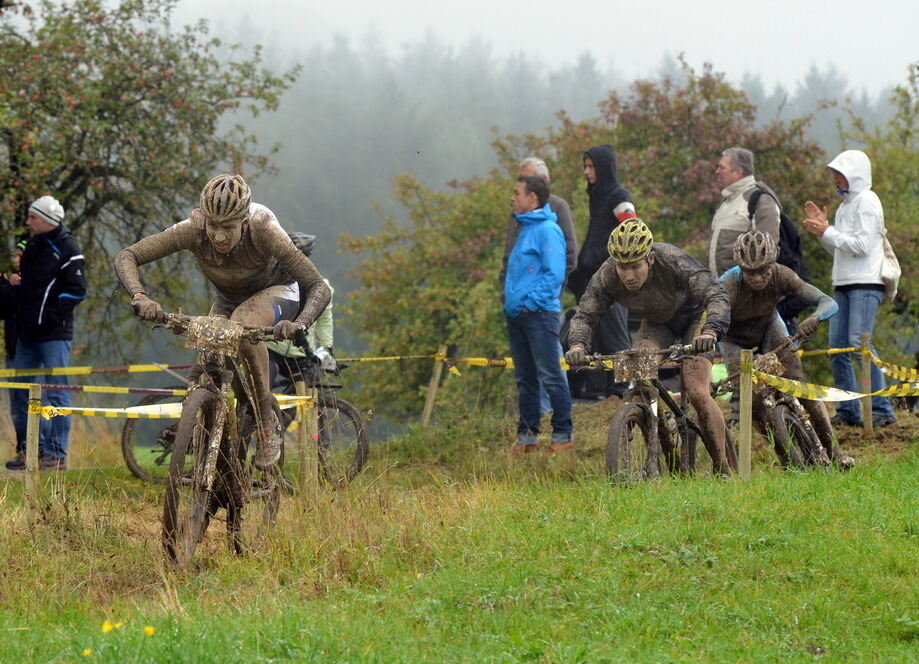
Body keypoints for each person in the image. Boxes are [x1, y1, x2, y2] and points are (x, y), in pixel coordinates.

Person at [114, 174, 331, 469]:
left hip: (278, 291)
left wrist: (300, 324)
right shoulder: (192, 229)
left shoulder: (264, 227)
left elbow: (318, 286)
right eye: (213, 225)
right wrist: (140, 296)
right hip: (228, 299)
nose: (218, 236)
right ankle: (207, 439)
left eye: (228, 227)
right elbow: (128, 255)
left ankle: (266, 424)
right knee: (208, 351)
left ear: (243, 220)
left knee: (241, 328)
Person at [565, 219, 732, 475]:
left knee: (697, 390)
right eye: (623, 267)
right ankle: (652, 427)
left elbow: (715, 293)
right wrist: (577, 344)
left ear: (650, 259)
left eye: (635, 266)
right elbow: (585, 314)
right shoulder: (608, 274)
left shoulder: (672, 259)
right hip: (656, 323)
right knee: (640, 375)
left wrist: (711, 330)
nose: (628, 275)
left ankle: (722, 468)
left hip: (695, 319)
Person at [720, 231, 854, 467]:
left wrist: (815, 317)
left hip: (768, 328)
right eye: (750, 272)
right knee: (753, 401)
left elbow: (828, 302)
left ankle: (835, 452)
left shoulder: (783, 275)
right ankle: (786, 458)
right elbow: (708, 319)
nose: (757, 277)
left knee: (798, 383)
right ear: (740, 268)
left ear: (773, 263)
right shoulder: (728, 284)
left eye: (763, 270)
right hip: (733, 338)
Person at [803, 149, 896, 428]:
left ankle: (881, 408)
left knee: (859, 344)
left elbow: (862, 246)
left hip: (865, 283)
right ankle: (848, 410)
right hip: (843, 282)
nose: (836, 180)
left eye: (840, 175)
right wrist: (824, 232)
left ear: (854, 175)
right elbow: (839, 249)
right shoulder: (845, 207)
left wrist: (828, 232)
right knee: (837, 349)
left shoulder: (867, 201)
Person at [5, 198, 87, 471]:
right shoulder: (30, 246)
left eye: (32, 217)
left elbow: (77, 291)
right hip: (26, 336)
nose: (27, 222)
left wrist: (49, 318)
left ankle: (56, 454)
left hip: (54, 336)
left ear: (47, 220)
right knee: (21, 393)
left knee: (56, 393)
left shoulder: (69, 249)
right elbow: (30, 288)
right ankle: (30, 451)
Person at [499, 157, 577, 414]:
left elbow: (566, 258)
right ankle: (531, 424)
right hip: (517, 304)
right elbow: (510, 255)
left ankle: (559, 421)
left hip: (542, 304)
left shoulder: (557, 208)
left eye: (525, 179)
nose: (519, 185)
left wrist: (541, 296)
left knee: (550, 365)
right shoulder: (518, 213)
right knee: (526, 373)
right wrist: (506, 292)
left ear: (540, 184)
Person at [566, 144, 636, 400]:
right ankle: (605, 391)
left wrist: (619, 266)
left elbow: (631, 228)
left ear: (603, 168)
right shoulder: (598, 197)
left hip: (613, 279)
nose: (586, 172)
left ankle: (624, 389)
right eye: (585, 166)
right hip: (593, 279)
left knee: (615, 335)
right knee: (599, 337)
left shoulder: (618, 196)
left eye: (591, 166)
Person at [709, 147, 780, 276]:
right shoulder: (725, 203)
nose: (717, 172)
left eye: (722, 168)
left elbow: (766, 254)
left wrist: (746, 283)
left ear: (738, 172)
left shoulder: (761, 200)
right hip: (718, 286)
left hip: (745, 287)